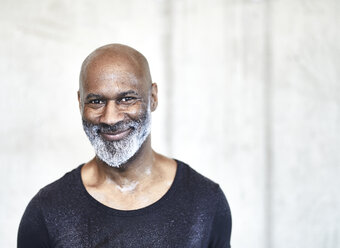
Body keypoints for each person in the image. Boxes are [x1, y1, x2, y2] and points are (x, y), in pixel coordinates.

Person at [17, 44, 232, 248]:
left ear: (153, 97)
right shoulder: (47, 211)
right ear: (80, 102)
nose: (110, 118)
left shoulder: (205, 202)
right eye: (96, 101)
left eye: (127, 99)